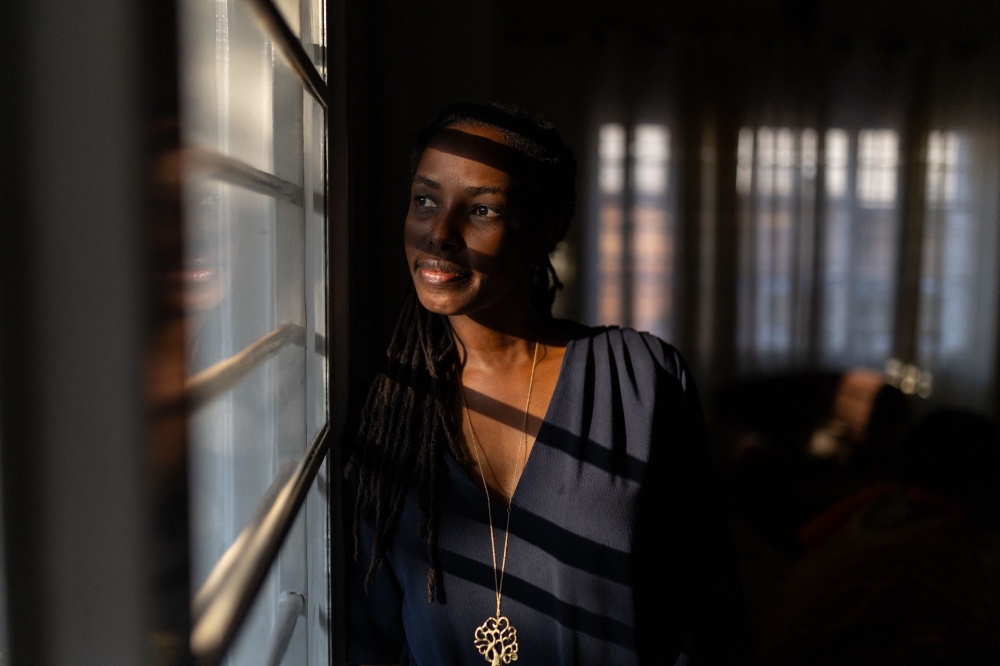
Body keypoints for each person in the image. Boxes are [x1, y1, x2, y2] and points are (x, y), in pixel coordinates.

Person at [345, 102, 750, 666]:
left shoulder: (639, 380)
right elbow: (370, 635)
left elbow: (708, 604)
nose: (439, 234)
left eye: (481, 209)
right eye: (424, 200)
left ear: (544, 230)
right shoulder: (384, 410)